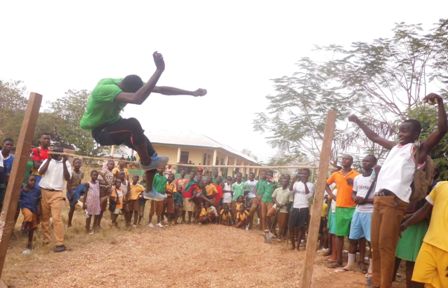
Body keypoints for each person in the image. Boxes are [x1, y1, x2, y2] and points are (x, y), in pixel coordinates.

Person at [349, 93, 447, 288]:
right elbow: (375, 137)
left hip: (394, 202)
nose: (401, 134)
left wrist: (440, 103)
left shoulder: (416, 150)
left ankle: (384, 284)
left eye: (405, 131)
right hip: (379, 201)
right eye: (400, 131)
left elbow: (442, 129)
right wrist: (358, 121)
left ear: (416, 134)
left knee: (386, 246)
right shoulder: (395, 148)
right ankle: (376, 282)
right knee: (375, 245)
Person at [79, 52, 206, 200]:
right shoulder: (105, 89)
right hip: (101, 131)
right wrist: (159, 70)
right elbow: (137, 98)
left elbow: (160, 89)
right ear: (126, 90)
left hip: (116, 125)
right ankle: (146, 162)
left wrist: (192, 93)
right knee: (133, 123)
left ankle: (149, 190)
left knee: (151, 151)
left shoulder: (128, 83)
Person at [400, 180, 448, 288]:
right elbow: (424, 211)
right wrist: (404, 225)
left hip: (446, 250)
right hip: (429, 244)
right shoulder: (441, 186)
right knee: (418, 281)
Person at [341, 155, 378, 275]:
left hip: (370, 212)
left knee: (371, 241)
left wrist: (366, 200)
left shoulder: (377, 179)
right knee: (352, 238)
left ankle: (371, 268)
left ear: (374, 163)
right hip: (358, 211)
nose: (365, 162)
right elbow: (354, 193)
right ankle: (350, 264)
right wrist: (355, 198)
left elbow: (379, 198)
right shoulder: (357, 178)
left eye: (368, 161)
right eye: (364, 160)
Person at [325, 155, 359, 268]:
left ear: (351, 161)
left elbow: (362, 189)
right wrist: (332, 196)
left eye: (348, 159)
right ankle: (338, 260)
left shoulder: (357, 175)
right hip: (340, 207)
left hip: (354, 208)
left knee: (352, 236)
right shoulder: (336, 174)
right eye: (343, 159)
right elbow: (326, 184)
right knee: (339, 235)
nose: (345, 160)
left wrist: (353, 183)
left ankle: (350, 262)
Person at [38, 145, 72, 252]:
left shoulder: (66, 163)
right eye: (54, 151)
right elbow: (40, 172)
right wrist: (48, 160)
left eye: (58, 151)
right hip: (44, 191)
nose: (56, 153)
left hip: (57, 193)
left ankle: (59, 243)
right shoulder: (47, 161)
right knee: (45, 218)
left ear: (61, 152)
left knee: (56, 218)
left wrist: (64, 162)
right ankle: (46, 240)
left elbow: (67, 177)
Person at [289, 168, 315, 250]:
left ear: (308, 175)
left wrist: (304, 184)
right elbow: (290, 190)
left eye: (305, 174)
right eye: (302, 174)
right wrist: (293, 181)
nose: (303, 175)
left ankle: (298, 246)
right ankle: (293, 245)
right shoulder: (296, 183)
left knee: (301, 227)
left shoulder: (311, 185)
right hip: (295, 207)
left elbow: (308, 196)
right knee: (291, 226)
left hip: (304, 207)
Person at [19, 175, 40, 254]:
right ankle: (24, 227)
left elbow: (38, 200)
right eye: (31, 180)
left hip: (34, 209)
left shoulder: (37, 190)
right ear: (26, 181)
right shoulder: (23, 190)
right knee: (28, 215)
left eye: (34, 180)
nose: (33, 182)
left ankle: (29, 244)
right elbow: (19, 198)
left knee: (32, 227)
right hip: (25, 207)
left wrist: (38, 210)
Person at [272, 175, 292, 240]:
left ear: (288, 183)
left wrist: (283, 205)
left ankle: (279, 236)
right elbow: (273, 197)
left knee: (282, 223)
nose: (284, 183)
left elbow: (290, 201)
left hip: (284, 209)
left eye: (286, 182)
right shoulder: (277, 189)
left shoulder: (289, 191)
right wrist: (277, 203)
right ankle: (273, 232)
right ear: (281, 182)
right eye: (283, 182)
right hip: (276, 207)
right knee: (270, 217)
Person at [67, 158, 84, 227]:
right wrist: (71, 194)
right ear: (73, 164)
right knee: (72, 207)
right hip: (71, 191)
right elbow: (68, 185)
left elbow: (79, 183)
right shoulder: (71, 173)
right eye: (76, 163)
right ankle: (69, 223)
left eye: (79, 163)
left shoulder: (81, 173)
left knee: (73, 207)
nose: (77, 164)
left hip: (77, 191)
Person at [98, 159, 115, 227]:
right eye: (110, 164)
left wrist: (110, 187)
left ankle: (98, 224)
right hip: (102, 190)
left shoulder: (112, 173)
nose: (112, 165)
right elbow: (99, 179)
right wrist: (106, 184)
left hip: (107, 191)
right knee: (100, 207)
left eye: (113, 164)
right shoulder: (104, 171)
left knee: (102, 209)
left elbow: (111, 183)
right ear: (107, 165)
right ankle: (96, 224)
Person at [0, 138, 14, 209]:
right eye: (7, 144)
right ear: (3, 145)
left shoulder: (13, 159)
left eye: (11, 145)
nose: (9, 146)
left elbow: (11, 173)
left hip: (3, 185)